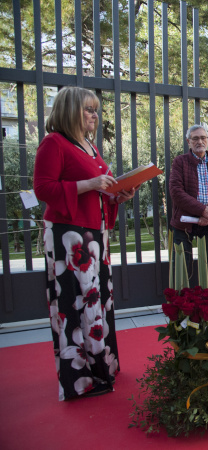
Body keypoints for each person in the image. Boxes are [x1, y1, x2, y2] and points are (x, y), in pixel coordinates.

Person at [34, 86, 137, 400]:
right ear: (70, 111)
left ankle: (101, 365)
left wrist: (119, 194)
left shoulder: (89, 146)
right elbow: (43, 189)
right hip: (70, 238)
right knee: (75, 306)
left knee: (97, 302)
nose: (95, 115)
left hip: (95, 235)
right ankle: (81, 378)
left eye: (96, 109)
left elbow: (98, 191)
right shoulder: (54, 143)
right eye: (89, 109)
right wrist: (91, 183)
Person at [169, 124, 208, 289]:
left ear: (207, 140)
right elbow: (176, 191)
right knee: (182, 265)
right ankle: (182, 306)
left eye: (203, 138)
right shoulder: (180, 162)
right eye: (195, 138)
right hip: (184, 223)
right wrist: (202, 210)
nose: (199, 141)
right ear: (188, 141)